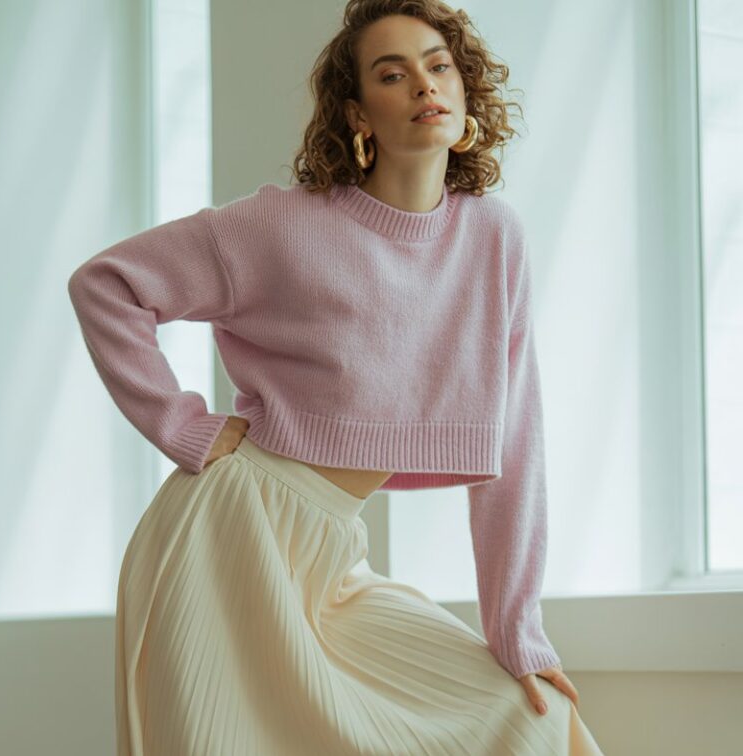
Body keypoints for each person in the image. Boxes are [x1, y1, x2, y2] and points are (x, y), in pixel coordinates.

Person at [67, 0, 606, 753]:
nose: (424, 84)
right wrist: (182, 424)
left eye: (438, 65)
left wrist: (517, 629)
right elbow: (107, 285)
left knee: (529, 722)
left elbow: (517, 442)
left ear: (465, 90)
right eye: (392, 74)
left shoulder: (493, 238)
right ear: (357, 113)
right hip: (227, 539)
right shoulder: (283, 224)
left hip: (330, 560)